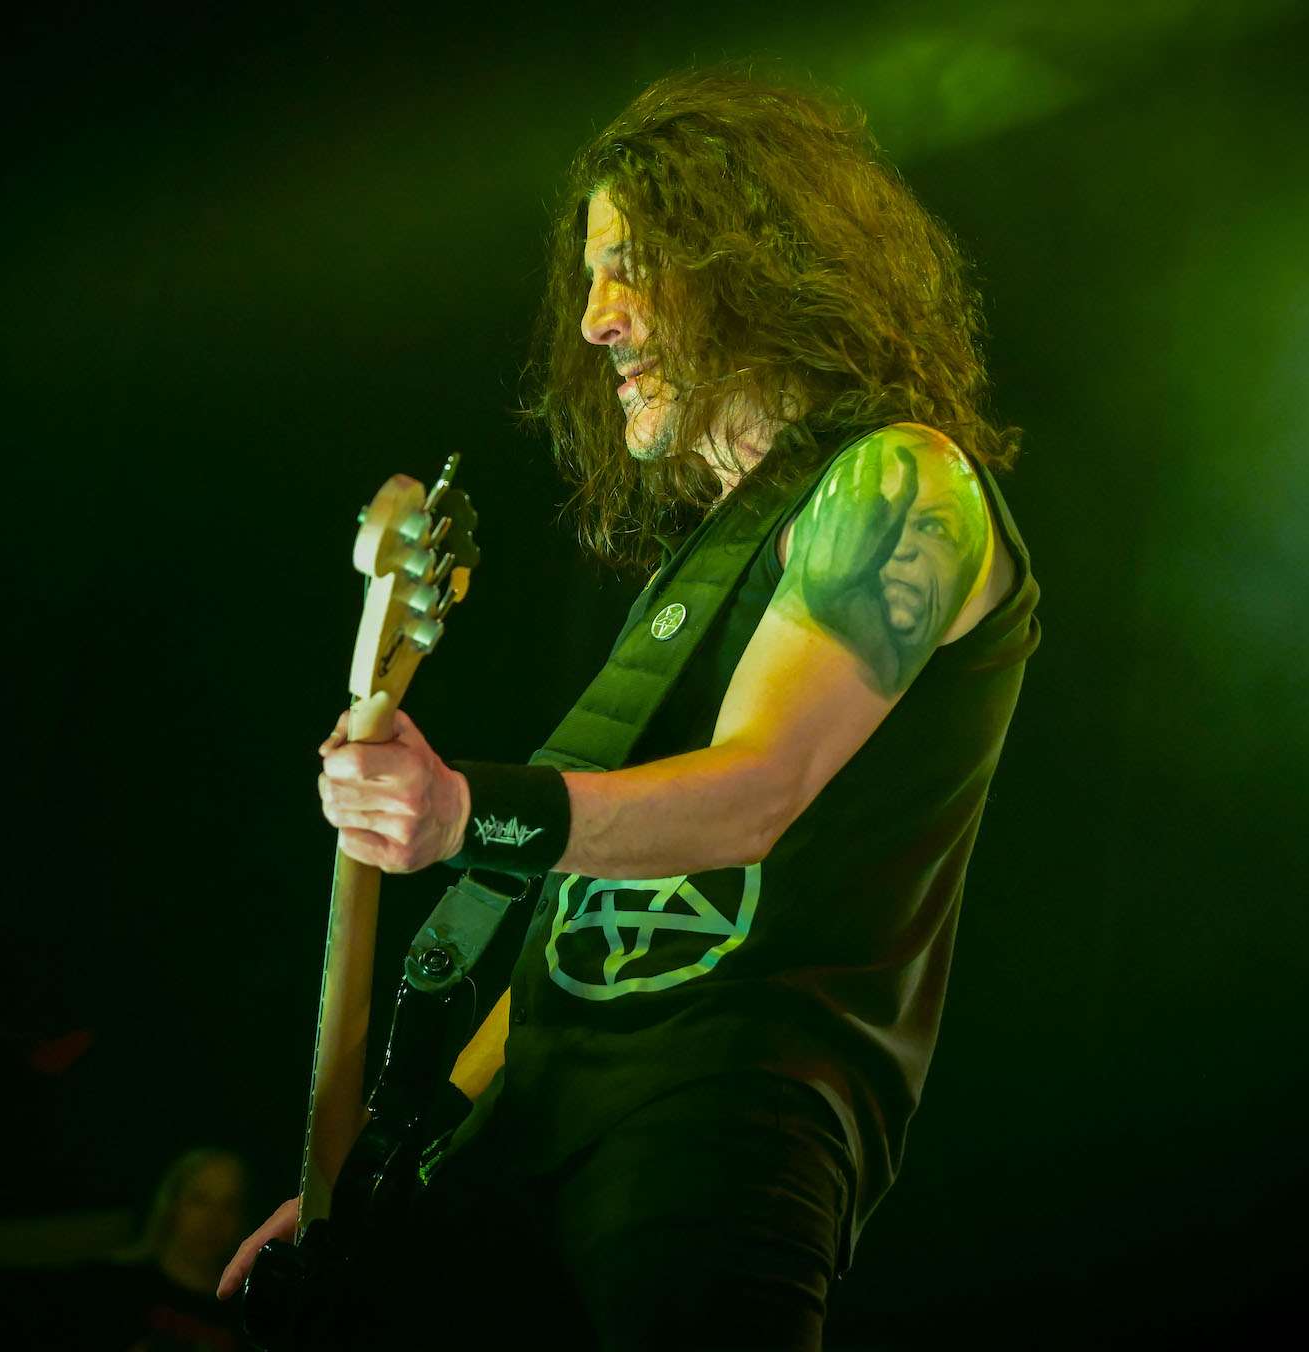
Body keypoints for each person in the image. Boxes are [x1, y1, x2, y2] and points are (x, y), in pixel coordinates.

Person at [223, 65, 1041, 1350]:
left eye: (634, 271)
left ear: (757, 264)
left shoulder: (898, 480)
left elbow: (756, 789)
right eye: (589, 278)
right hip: (533, 1121)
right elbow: (569, 916)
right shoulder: (696, 563)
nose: (596, 321)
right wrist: (390, 1172)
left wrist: (464, 811)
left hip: (719, 1106)